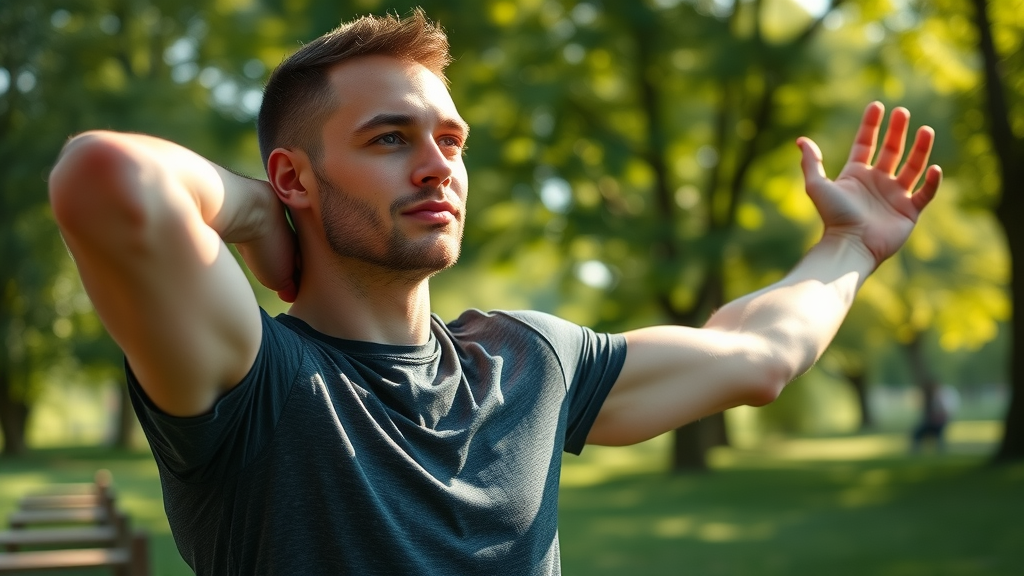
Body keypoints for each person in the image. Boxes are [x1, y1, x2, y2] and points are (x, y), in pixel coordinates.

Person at [47, 8, 942, 576]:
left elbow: (761, 355)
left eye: (452, 139)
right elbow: (107, 175)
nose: (439, 166)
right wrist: (256, 217)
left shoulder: (531, 363)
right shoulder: (254, 378)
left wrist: (850, 247)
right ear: (293, 175)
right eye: (391, 139)